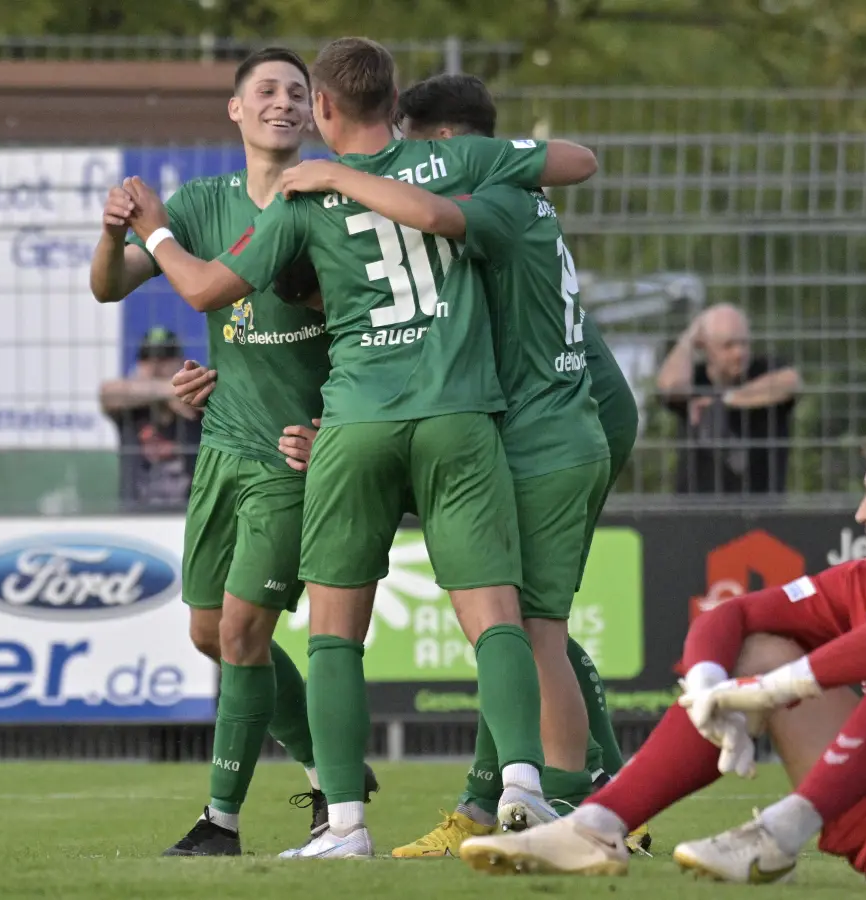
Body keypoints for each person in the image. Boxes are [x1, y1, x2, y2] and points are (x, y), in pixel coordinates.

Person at [121, 36, 601, 859]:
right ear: (395, 102)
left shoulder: (300, 199)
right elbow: (577, 161)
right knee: (496, 619)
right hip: (461, 418)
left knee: (336, 635)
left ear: (326, 111)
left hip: (352, 426)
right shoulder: (452, 162)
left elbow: (203, 290)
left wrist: (158, 233)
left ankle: (344, 826)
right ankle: (522, 785)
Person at [457, 414, 866, 893]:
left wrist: (769, 695)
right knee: (760, 646)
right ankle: (597, 825)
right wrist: (713, 687)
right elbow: (734, 614)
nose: (862, 511)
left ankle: (778, 833)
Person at [88, 46, 375, 857]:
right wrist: (115, 233)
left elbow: (355, 322)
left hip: (297, 455)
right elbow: (111, 286)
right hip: (222, 446)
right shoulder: (206, 201)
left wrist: (339, 426)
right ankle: (328, 770)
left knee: (247, 633)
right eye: (266, 90)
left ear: (316, 111)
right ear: (236, 110)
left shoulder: (328, 197)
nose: (283, 101)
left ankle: (221, 822)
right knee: (210, 634)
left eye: (296, 91)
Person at [655, 303, 800, 495]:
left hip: (760, 506)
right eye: (728, 345)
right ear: (706, 347)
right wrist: (689, 338)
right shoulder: (695, 381)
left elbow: (791, 382)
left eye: (744, 343)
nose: (739, 353)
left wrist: (724, 399)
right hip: (696, 507)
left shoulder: (764, 370)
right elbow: (668, 386)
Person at [99, 327, 203, 512]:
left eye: (164, 358)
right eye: (147, 358)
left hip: (190, 513)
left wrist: (181, 393)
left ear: (180, 363)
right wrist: (170, 390)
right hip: (135, 516)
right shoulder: (129, 408)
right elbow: (108, 393)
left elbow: (218, 401)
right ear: (138, 365)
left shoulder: (195, 407)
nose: (155, 366)